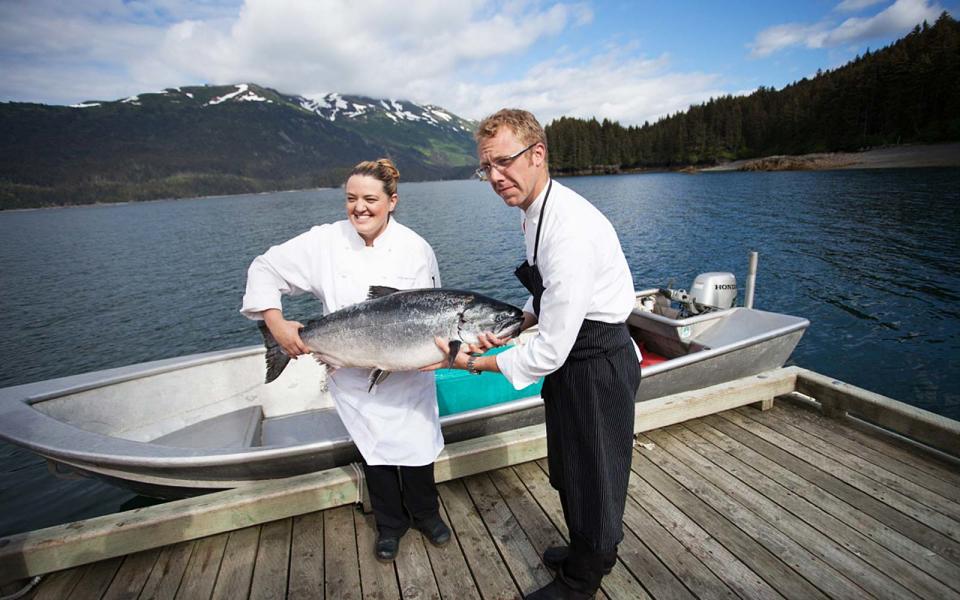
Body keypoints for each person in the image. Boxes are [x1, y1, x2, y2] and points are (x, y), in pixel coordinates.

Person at [430, 110, 641, 599]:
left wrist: (474, 361)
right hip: (576, 354)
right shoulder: (535, 211)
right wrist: (518, 323)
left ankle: (583, 578)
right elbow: (547, 296)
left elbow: (552, 346)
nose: (495, 177)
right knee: (571, 465)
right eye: (487, 168)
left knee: (596, 474)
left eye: (504, 162)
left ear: (537, 154)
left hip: (596, 360)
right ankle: (583, 545)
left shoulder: (568, 229)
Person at [240, 158, 451, 563]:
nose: (360, 208)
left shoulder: (417, 248)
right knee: (374, 450)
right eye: (351, 199)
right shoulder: (323, 242)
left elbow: (436, 308)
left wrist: (444, 354)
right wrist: (278, 324)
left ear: (393, 201)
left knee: (419, 445)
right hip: (353, 372)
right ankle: (390, 524)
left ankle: (426, 513)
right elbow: (264, 268)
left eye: (370, 199)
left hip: (409, 375)